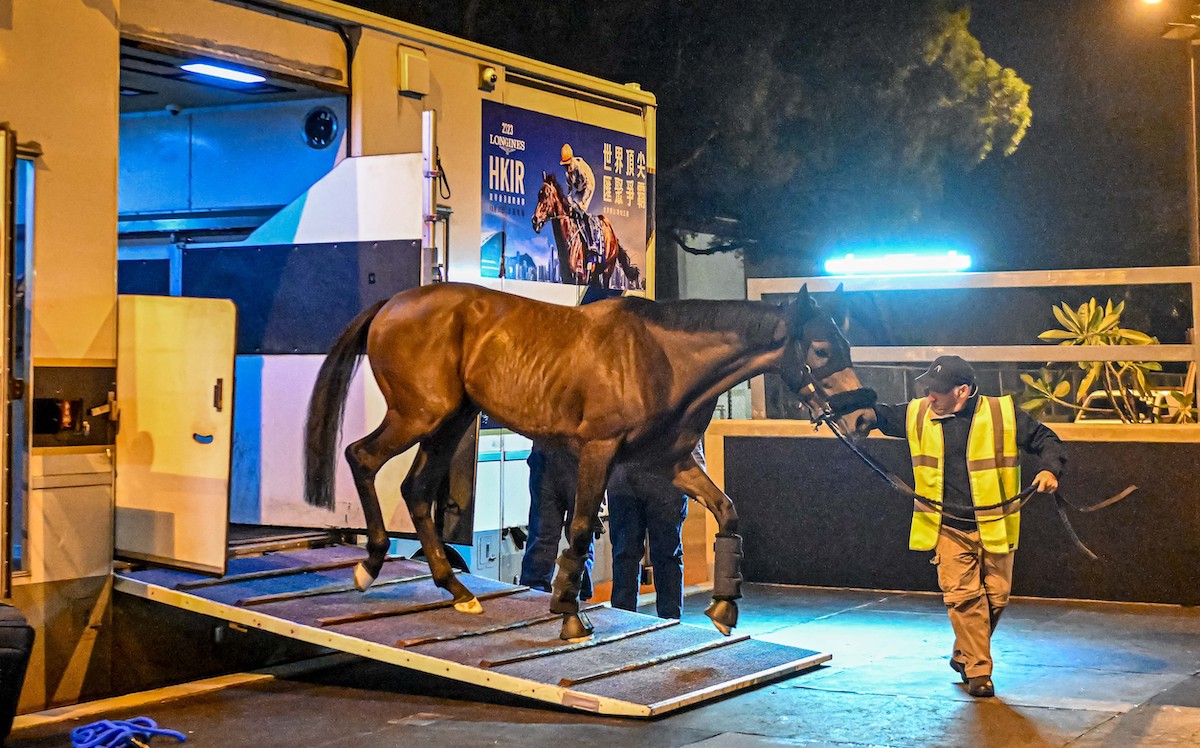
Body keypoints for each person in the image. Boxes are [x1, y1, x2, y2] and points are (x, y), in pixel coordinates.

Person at [871, 355, 1066, 699]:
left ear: (962, 391)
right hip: (947, 526)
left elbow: (1046, 439)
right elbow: (880, 414)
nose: (930, 397)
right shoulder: (919, 413)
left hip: (994, 525)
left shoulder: (1001, 414)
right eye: (928, 389)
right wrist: (844, 406)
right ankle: (979, 671)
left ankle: (963, 653)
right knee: (963, 598)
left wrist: (1050, 470)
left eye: (938, 391)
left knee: (997, 596)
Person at [606, 440, 703, 620]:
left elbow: (689, 428)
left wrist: (698, 477)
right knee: (624, 553)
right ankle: (622, 619)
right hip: (624, 481)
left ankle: (670, 621)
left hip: (667, 482)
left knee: (667, 554)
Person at [559, 144, 597, 258]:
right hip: (579, 190)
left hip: (588, 186)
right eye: (564, 165)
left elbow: (589, 186)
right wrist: (570, 204)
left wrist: (583, 203)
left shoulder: (579, 167)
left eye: (568, 164)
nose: (567, 167)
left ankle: (592, 242)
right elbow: (570, 192)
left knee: (582, 212)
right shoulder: (567, 174)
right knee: (572, 211)